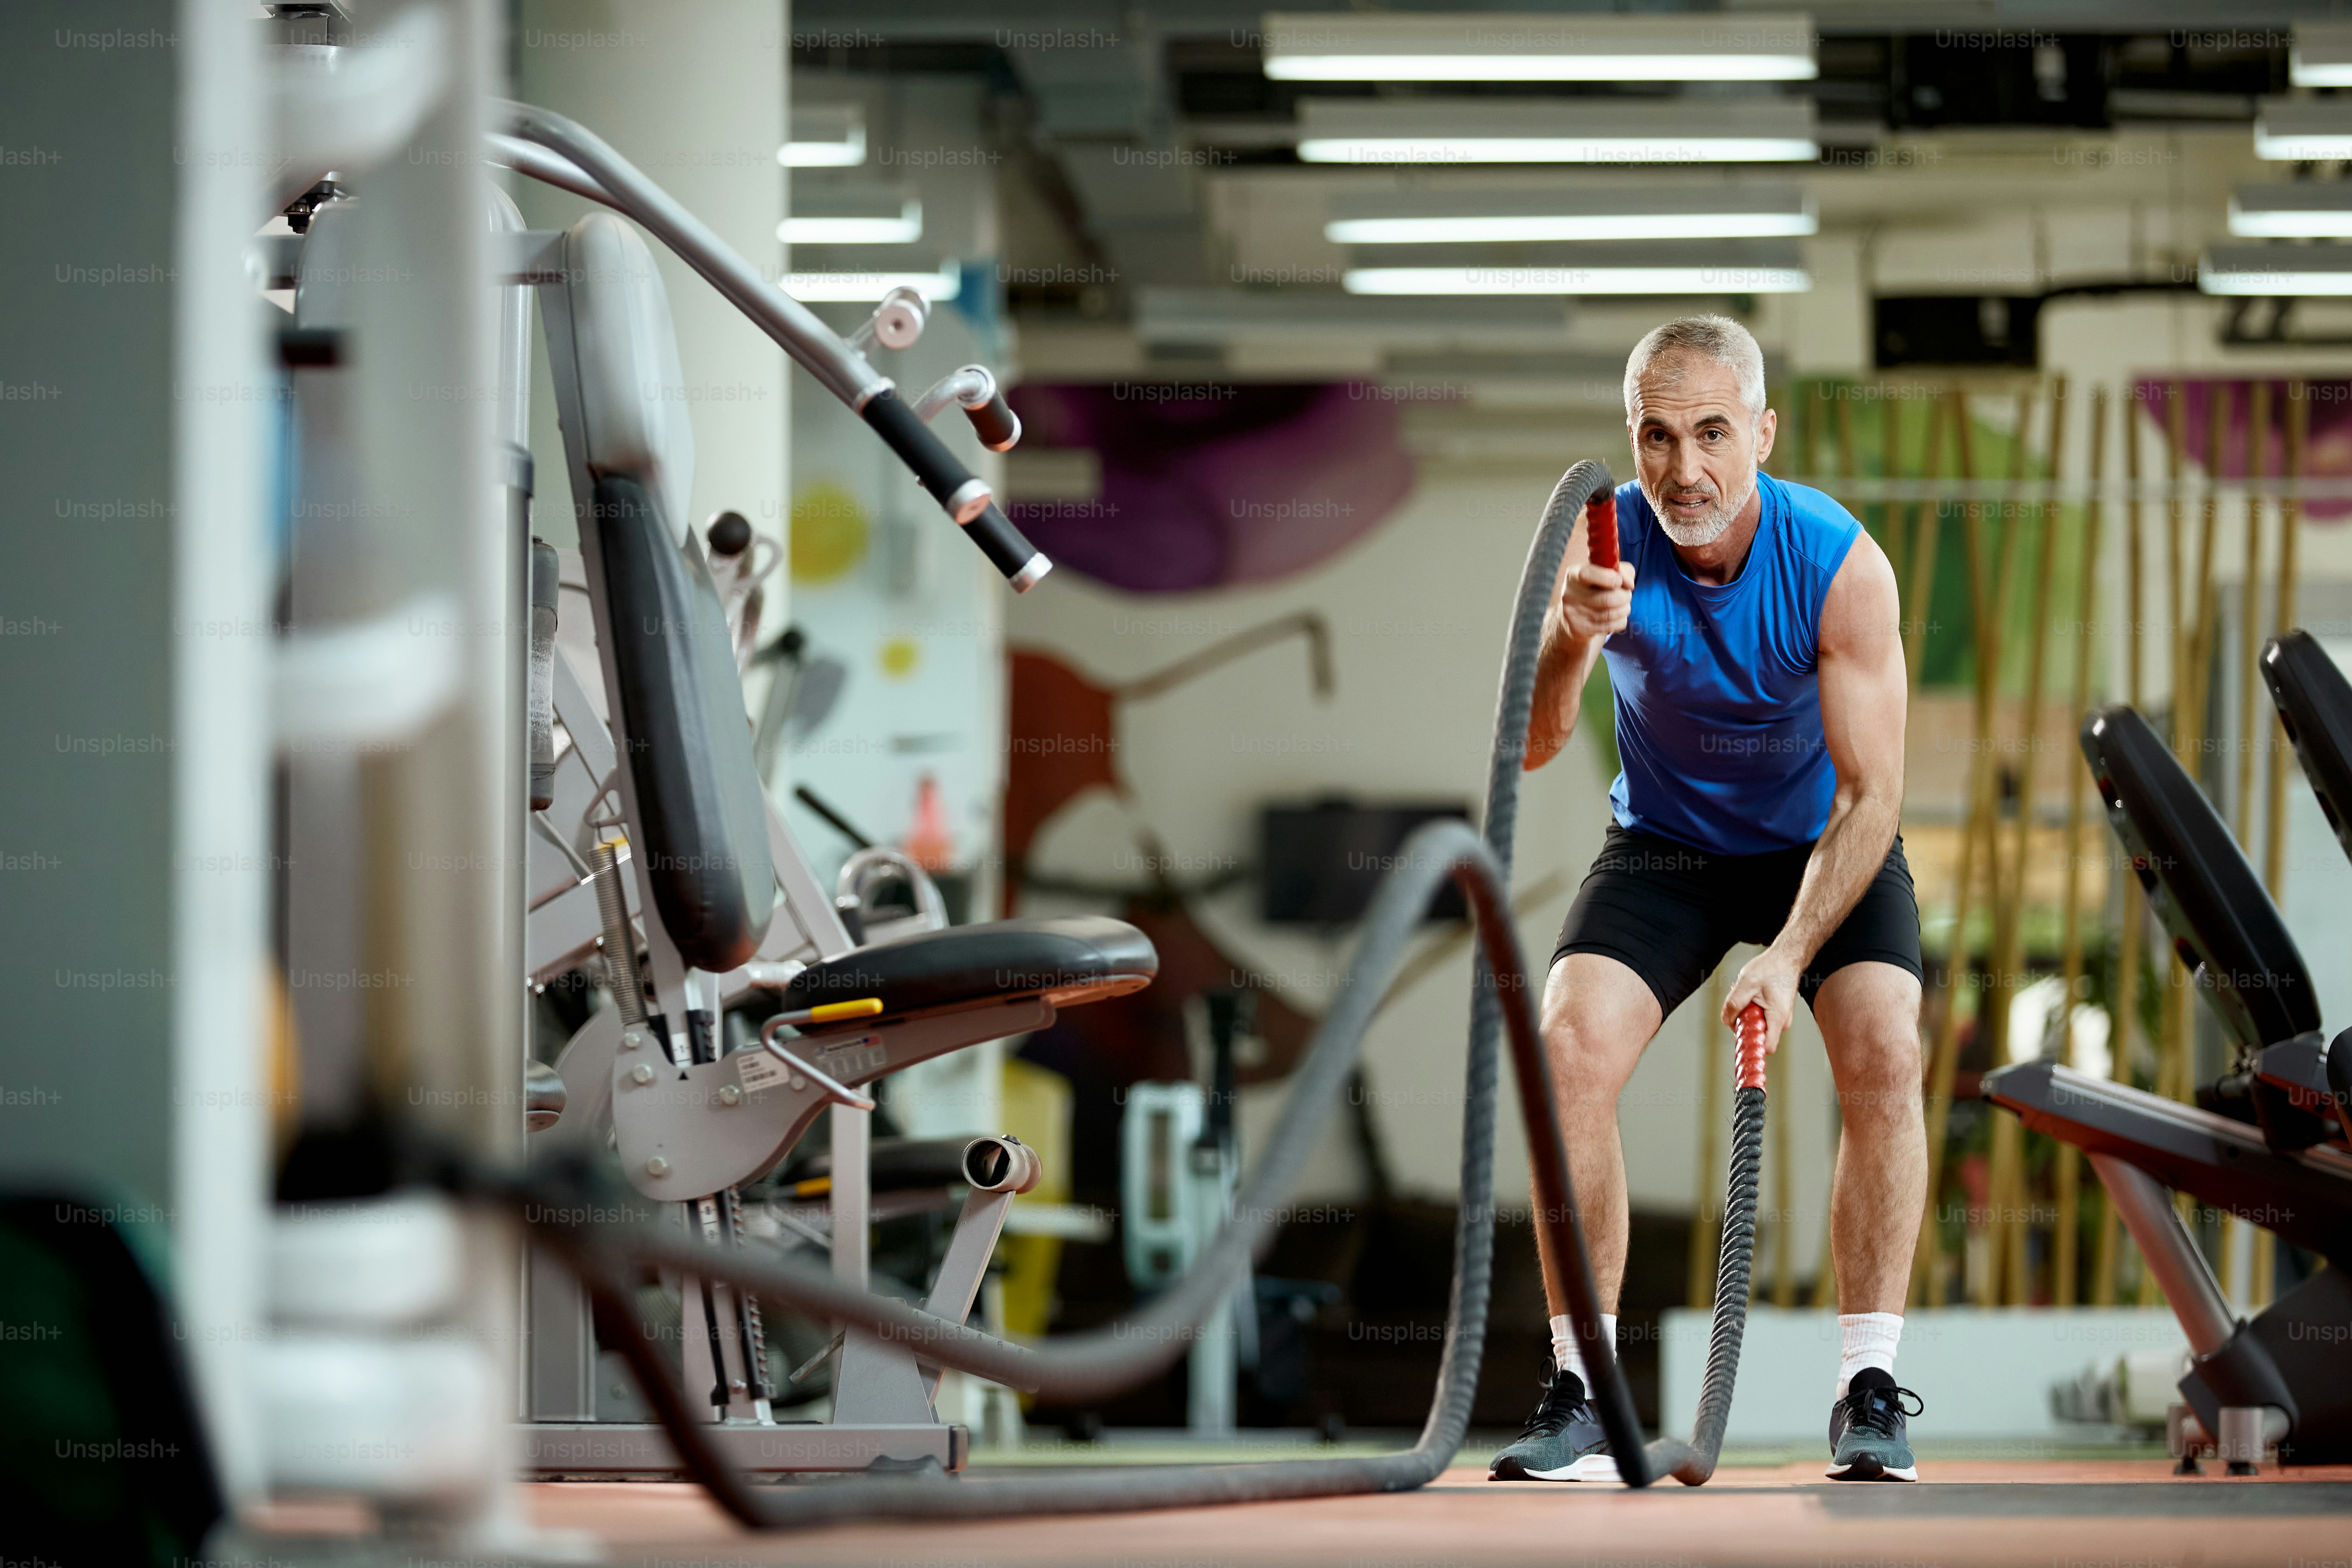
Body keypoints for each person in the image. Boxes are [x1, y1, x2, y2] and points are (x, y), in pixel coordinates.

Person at [1490, 315, 1926, 1485]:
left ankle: (1868, 1389)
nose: (1685, 470)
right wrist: (1573, 642)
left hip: (1820, 843)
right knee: (1566, 1047)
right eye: (1657, 436)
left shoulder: (1837, 561)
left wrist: (1787, 956)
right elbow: (1531, 750)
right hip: (1666, 846)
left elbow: (1876, 795)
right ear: (1630, 440)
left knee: (1883, 1041)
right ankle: (1583, 1390)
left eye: (1713, 434)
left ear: (1763, 433)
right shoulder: (1599, 546)